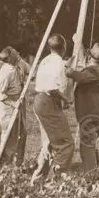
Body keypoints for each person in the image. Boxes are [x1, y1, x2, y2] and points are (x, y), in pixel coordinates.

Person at [31, 34, 73, 182]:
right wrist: (65, 98)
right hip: (48, 102)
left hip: (40, 100)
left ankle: (37, 179)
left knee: (48, 142)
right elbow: (51, 87)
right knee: (66, 143)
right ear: (64, 47)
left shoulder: (46, 60)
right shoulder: (58, 63)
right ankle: (57, 177)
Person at [67, 43, 99, 173]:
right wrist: (77, 42)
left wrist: (68, 70)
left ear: (90, 58)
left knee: (86, 145)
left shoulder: (93, 71)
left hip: (90, 114)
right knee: (90, 142)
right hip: (97, 113)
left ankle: (91, 174)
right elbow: (85, 60)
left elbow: (79, 76)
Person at [0, 46, 30, 168]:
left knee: (23, 134)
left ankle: (18, 164)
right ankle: (3, 166)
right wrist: (14, 104)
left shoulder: (19, 64)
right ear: (10, 58)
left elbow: (31, 73)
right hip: (8, 106)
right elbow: (0, 95)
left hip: (19, 102)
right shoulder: (6, 73)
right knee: (10, 137)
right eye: (15, 53)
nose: (18, 53)